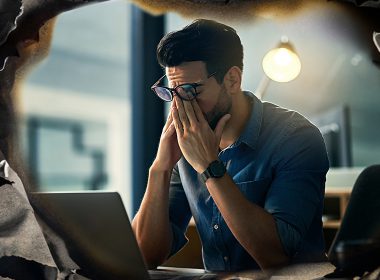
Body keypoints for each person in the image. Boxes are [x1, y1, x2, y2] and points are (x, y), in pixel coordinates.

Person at [132, 19, 330, 272]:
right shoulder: (184, 146)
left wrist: (208, 166)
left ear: (232, 80)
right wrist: (160, 167)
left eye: (191, 91)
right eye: (172, 93)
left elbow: (278, 258)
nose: (180, 107)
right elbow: (145, 256)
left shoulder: (297, 138)